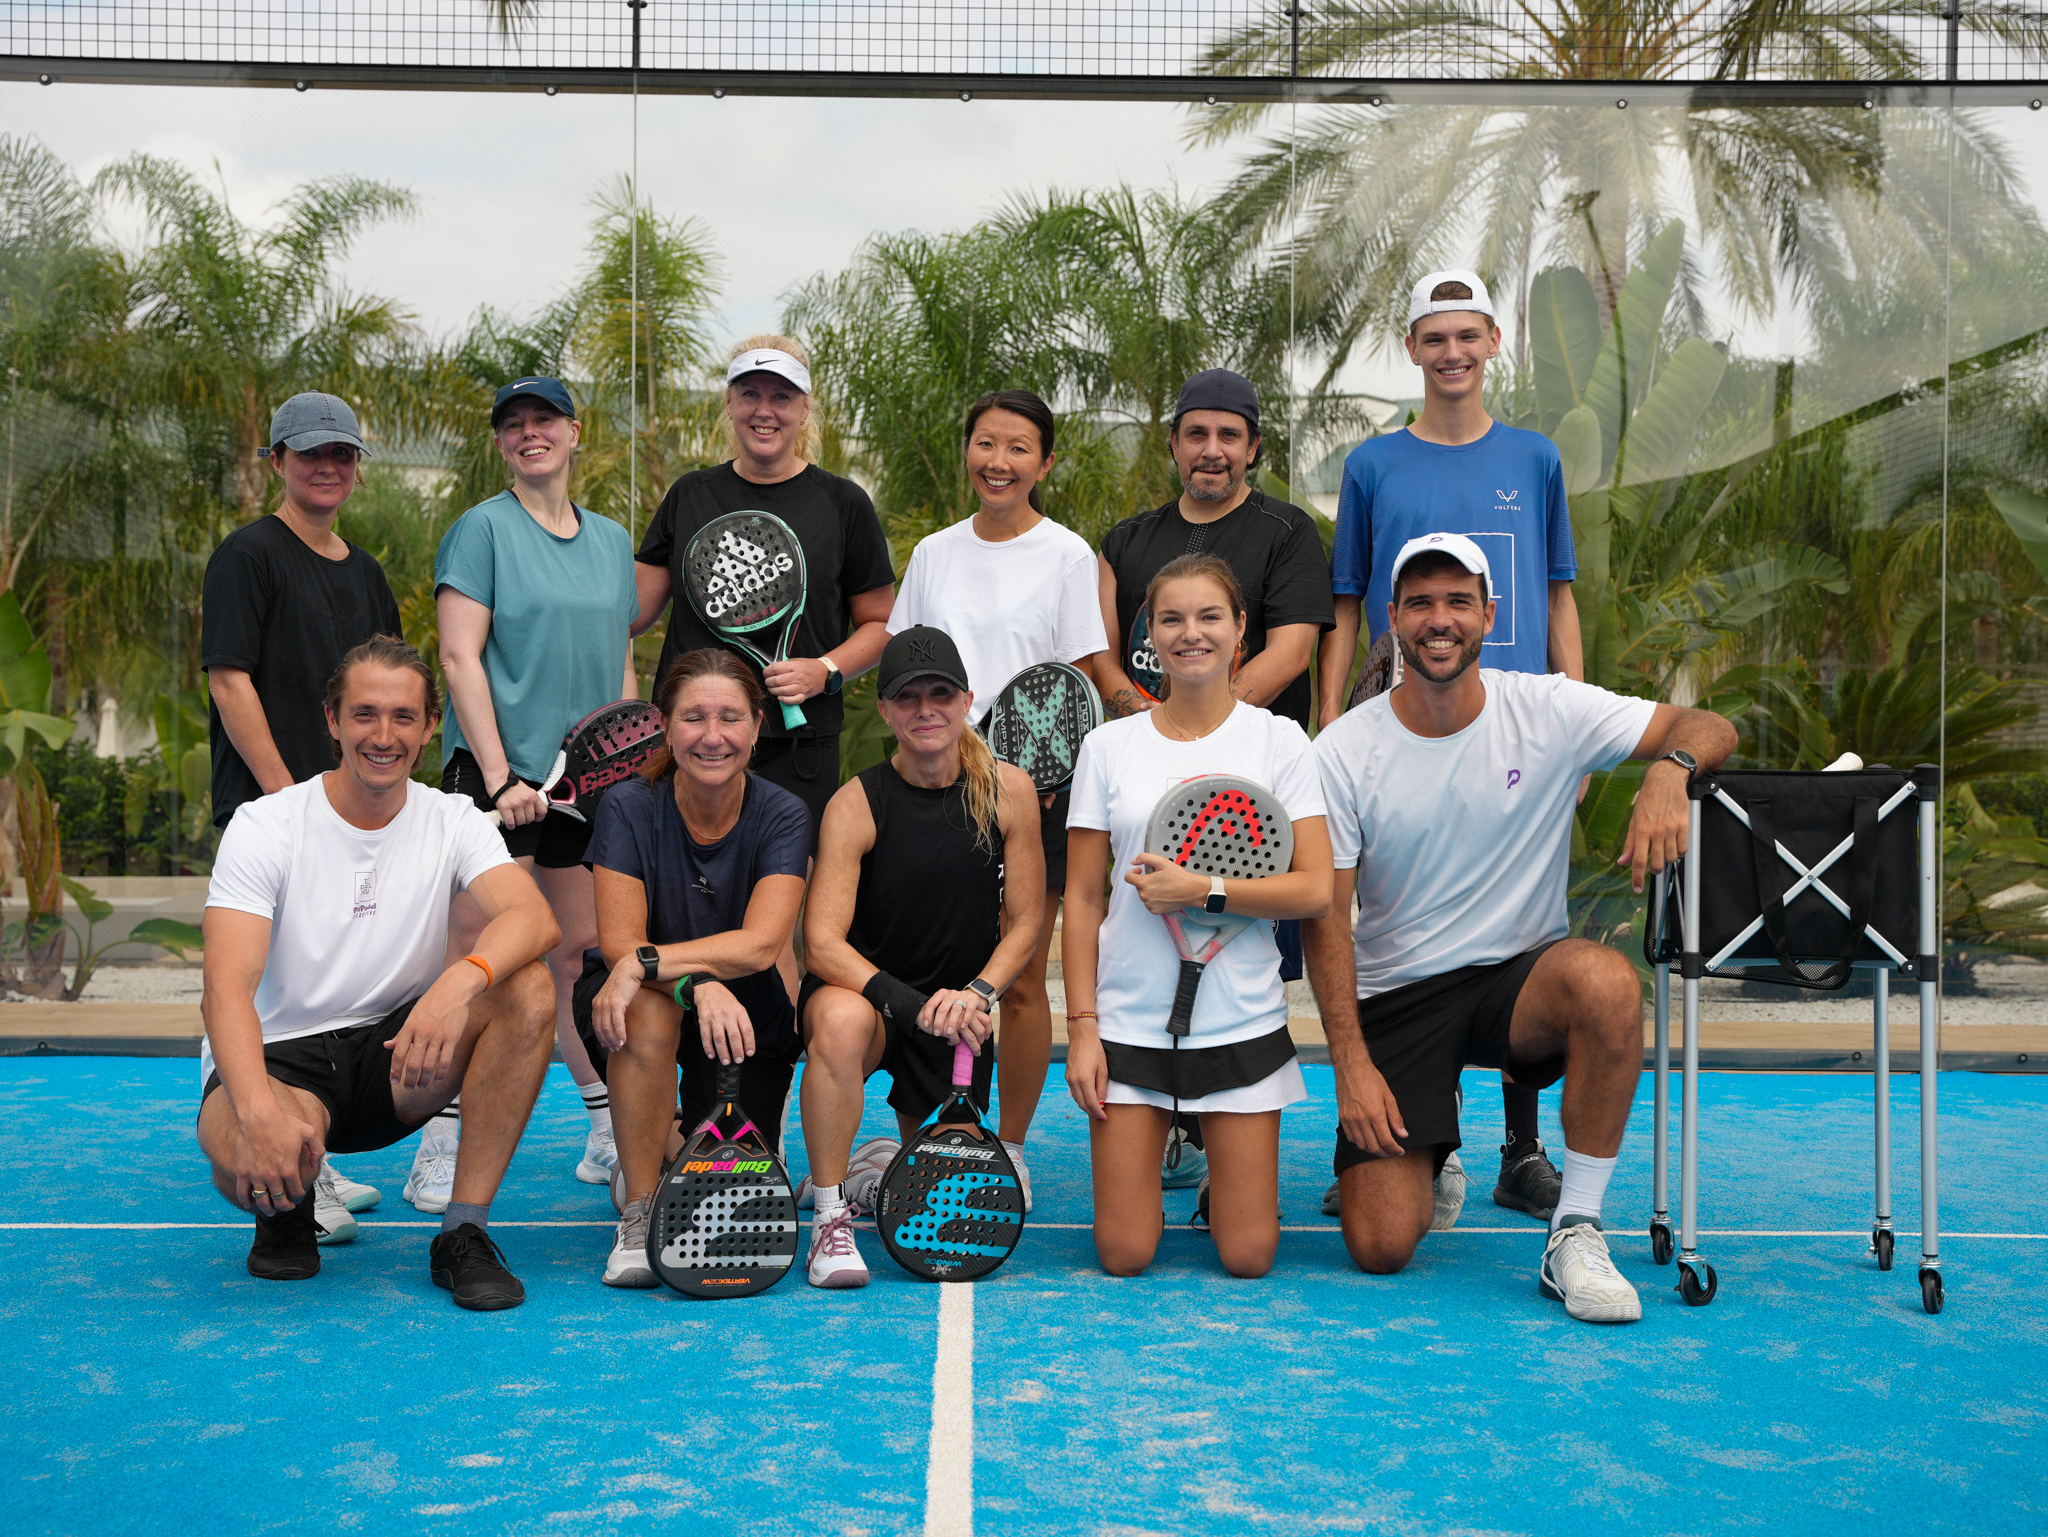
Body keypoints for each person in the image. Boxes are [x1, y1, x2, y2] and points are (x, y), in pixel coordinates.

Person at [1304, 535, 1736, 1322]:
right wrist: (1351, 1065)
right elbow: (1328, 917)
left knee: (1606, 983)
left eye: (1458, 601)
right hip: (1400, 994)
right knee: (1379, 1246)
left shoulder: (1548, 706)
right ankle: (1433, 1153)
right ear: (1394, 617)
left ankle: (1575, 1228)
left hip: (1518, 982)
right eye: (1422, 602)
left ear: (1490, 615)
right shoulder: (1343, 749)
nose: (1441, 619)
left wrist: (1670, 771)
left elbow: (1710, 723)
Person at [1314, 271, 1586, 1224]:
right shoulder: (1373, 464)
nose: (1454, 353)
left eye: (1469, 336)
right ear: (1415, 348)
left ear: (1495, 341)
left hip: (1516, 744)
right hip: (1408, 741)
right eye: (1437, 338)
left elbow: (1557, 596)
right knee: (1404, 930)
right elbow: (1346, 610)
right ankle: (1420, 1135)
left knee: (1523, 930)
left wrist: (1577, 738)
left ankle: (1523, 1148)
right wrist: (1322, 728)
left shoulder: (1536, 459)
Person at [196, 636, 560, 1309]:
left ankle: (463, 1232)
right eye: (364, 714)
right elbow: (225, 987)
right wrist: (255, 1114)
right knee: (257, 1150)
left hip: (399, 1054)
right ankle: (285, 1202)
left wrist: (457, 983)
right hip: (281, 1063)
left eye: (402, 716)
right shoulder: (265, 824)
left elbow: (533, 918)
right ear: (332, 721)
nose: (383, 734)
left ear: (428, 728)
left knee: (529, 986)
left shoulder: (453, 818)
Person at [1091, 369, 1334, 1191]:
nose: (1212, 450)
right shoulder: (1126, 540)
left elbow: (1293, 649)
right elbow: (1100, 647)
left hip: (1244, 802)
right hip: (1152, 739)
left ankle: (1209, 1118)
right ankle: (1169, 1121)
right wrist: (1144, 717)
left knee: (1242, 962)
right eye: (1197, 433)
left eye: (1230, 435)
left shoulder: (1288, 531)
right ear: (1174, 443)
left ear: (1253, 447)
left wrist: (1209, 733)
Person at [1063, 554, 1333, 1280]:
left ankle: (1224, 1183)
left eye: (1210, 616)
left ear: (1240, 629)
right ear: (1149, 632)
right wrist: (1082, 1028)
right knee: (1124, 1253)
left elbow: (1313, 890)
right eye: (1172, 618)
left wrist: (1204, 890)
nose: (1192, 634)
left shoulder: (1279, 740)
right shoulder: (1107, 746)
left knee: (1247, 1256)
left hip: (1241, 1021)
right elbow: (1085, 897)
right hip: (1128, 1025)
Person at [421, 376, 641, 1209]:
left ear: (574, 432)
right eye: (512, 425)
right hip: (494, 780)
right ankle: (439, 1136)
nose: (528, 433)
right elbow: (458, 658)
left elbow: (618, 667)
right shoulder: (479, 530)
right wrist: (500, 775)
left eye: (543, 419)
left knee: (580, 951)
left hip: (584, 786)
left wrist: (623, 764)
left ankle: (600, 1125)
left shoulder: (613, 541)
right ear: (503, 445)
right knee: (476, 954)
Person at [885, 389, 1109, 1203]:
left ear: (1044, 464)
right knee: (942, 962)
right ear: (967, 452)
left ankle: (1008, 1145)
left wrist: (1048, 778)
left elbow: (1080, 677)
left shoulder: (1068, 555)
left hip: (1030, 798)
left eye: (1019, 448)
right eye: (986, 444)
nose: (999, 462)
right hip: (938, 789)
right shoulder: (935, 553)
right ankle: (939, 1119)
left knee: (1016, 980)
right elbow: (908, 663)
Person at [201, 390, 403, 1237]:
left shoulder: (365, 573)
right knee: (266, 995)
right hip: (276, 811)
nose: (328, 467)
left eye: (343, 455)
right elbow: (228, 677)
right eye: (311, 453)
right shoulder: (246, 556)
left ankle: (315, 1150)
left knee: (337, 982)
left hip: (357, 820)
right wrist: (291, 799)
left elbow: (392, 689)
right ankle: (275, 1149)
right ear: (277, 460)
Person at [797, 626, 1045, 1289]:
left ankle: (875, 1169)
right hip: (875, 1000)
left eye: (941, 693)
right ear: (885, 710)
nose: (925, 709)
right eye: (908, 697)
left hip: (957, 1009)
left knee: (935, 1202)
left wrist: (978, 993)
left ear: (967, 700)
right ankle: (829, 1219)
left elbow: (1026, 921)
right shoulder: (856, 802)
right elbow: (820, 943)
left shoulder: (1008, 790)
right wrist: (911, 1007)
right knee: (841, 1023)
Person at [572, 649, 811, 1288]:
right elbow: (620, 944)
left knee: (725, 1195)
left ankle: (658, 1143)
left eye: (730, 717)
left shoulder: (785, 813)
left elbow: (762, 945)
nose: (712, 736)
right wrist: (695, 980)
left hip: (743, 1010)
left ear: (757, 726)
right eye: (694, 717)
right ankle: (640, 1206)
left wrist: (654, 963)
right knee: (647, 1011)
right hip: (635, 1001)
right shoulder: (626, 805)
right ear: (666, 727)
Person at [634, 336, 897, 847]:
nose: (764, 411)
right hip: (692, 739)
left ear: (805, 409)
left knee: (777, 905)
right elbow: (631, 613)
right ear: (729, 404)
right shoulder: (689, 494)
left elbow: (881, 622)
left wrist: (825, 670)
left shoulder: (842, 503)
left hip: (798, 745)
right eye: (750, 394)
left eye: (781, 397)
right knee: (682, 900)